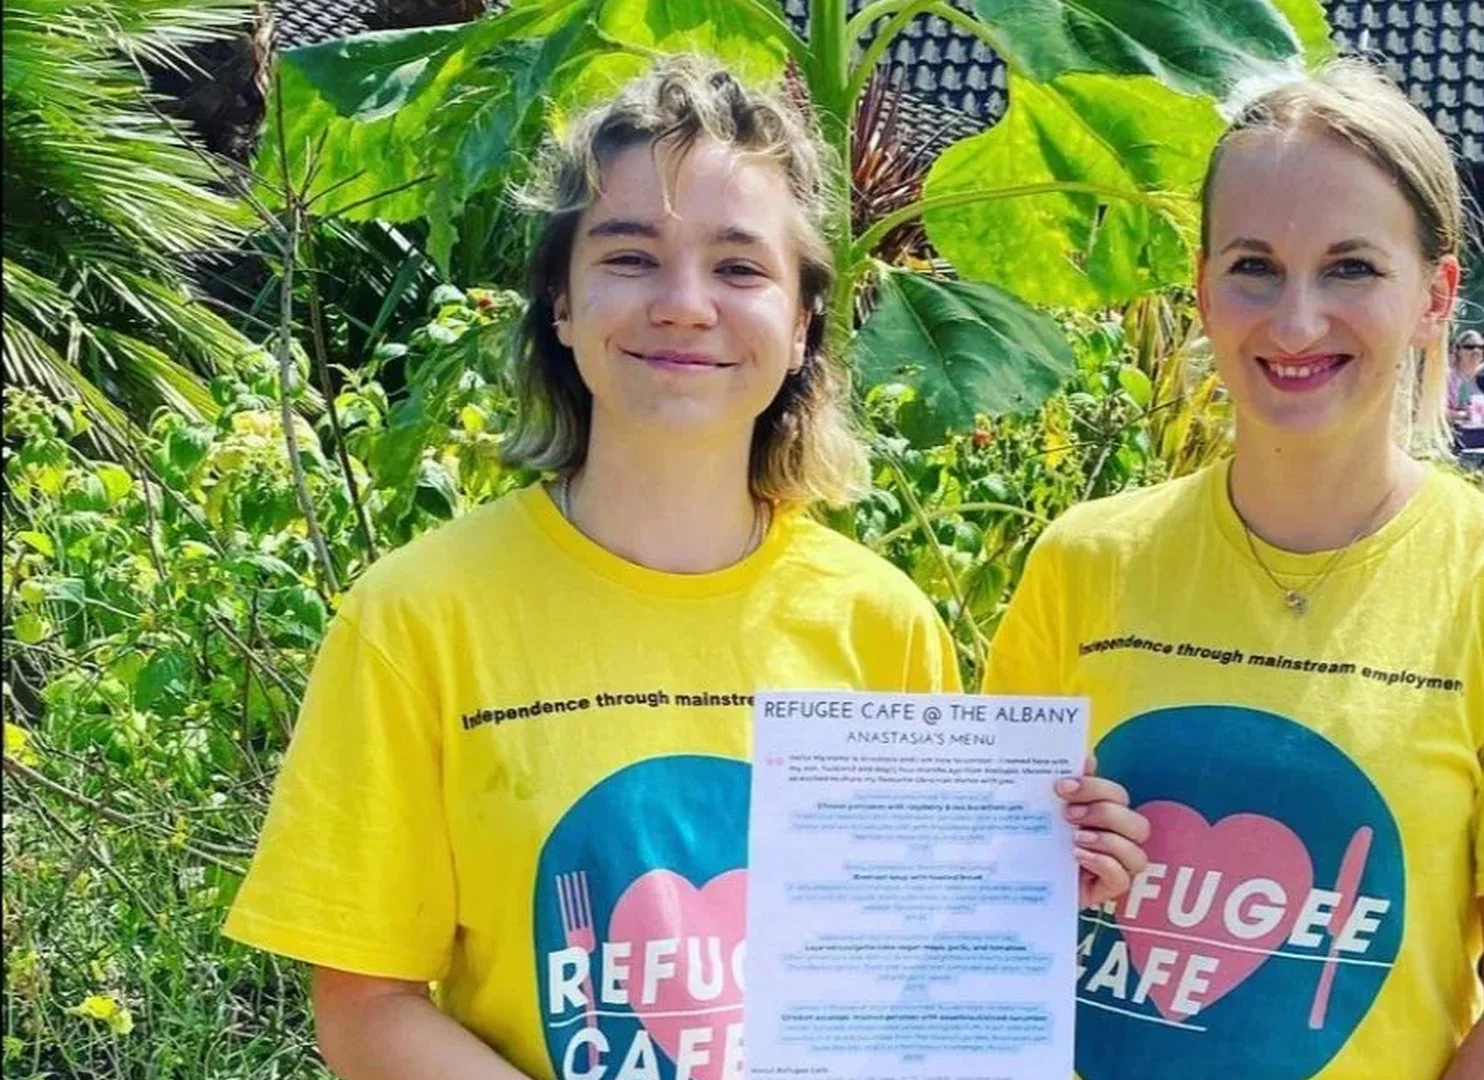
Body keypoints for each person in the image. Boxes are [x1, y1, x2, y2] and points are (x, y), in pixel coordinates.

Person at [223, 57, 1148, 1080]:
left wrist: (1027, 889)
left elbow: (907, 991)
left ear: (802, 328)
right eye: (629, 257)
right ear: (560, 305)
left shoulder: (881, 623)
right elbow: (364, 1005)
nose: (684, 303)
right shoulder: (418, 618)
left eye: (740, 268)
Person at [986, 59, 1484, 1080]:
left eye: (1350, 268)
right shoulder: (1085, 561)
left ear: (1436, 297)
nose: (1295, 322)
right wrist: (1044, 867)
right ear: (1203, 289)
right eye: (1254, 265)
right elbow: (985, 910)